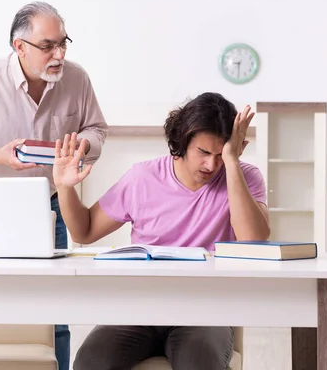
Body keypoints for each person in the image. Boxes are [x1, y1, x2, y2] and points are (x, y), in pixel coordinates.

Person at [0, 1, 108, 370]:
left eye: (63, 43)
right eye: (48, 45)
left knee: (55, 313)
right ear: (19, 47)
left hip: (52, 208)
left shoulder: (77, 78)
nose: (58, 54)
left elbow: (97, 130)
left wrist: (81, 146)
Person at [53, 92, 269, 370]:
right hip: (141, 307)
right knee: (90, 361)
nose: (211, 165)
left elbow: (253, 240)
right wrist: (65, 188)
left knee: (198, 363)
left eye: (220, 154)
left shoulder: (243, 176)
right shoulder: (142, 177)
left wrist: (232, 163)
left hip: (205, 310)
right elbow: (85, 231)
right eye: (203, 152)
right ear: (182, 141)